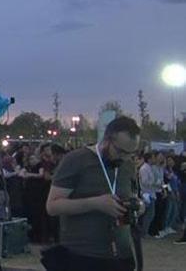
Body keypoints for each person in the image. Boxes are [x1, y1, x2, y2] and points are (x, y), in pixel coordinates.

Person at [45, 116, 142, 271]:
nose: (125, 157)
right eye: (121, 151)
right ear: (107, 140)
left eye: (131, 152)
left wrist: (137, 205)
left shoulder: (128, 164)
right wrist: (95, 203)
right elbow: (52, 206)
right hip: (83, 255)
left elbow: (132, 195)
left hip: (122, 254)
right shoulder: (76, 160)